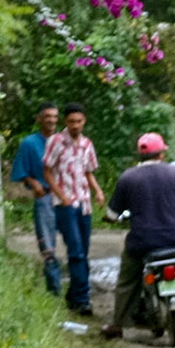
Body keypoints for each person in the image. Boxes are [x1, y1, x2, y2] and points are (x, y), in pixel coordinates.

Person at [100, 133, 175, 340]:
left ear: (140, 155)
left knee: (127, 280)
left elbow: (112, 215)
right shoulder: (174, 173)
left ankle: (118, 324)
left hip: (142, 242)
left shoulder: (128, 177)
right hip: (174, 239)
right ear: (161, 154)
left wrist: (111, 219)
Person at [42, 102, 102, 315]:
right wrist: (61, 196)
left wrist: (98, 191)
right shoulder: (56, 141)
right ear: (65, 122)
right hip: (65, 205)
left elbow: (88, 171)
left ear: (84, 121)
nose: (75, 125)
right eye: (71, 122)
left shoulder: (87, 144)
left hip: (84, 204)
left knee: (83, 252)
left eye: (78, 121)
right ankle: (83, 299)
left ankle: (74, 296)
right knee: (76, 251)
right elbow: (47, 171)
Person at [8, 102, 61, 295]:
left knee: (74, 242)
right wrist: (33, 182)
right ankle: (54, 290)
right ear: (39, 118)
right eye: (47, 116)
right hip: (44, 197)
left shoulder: (62, 141)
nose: (51, 120)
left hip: (65, 197)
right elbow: (20, 170)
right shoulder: (29, 143)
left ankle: (78, 292)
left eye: (54, 116)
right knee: (48, 246)